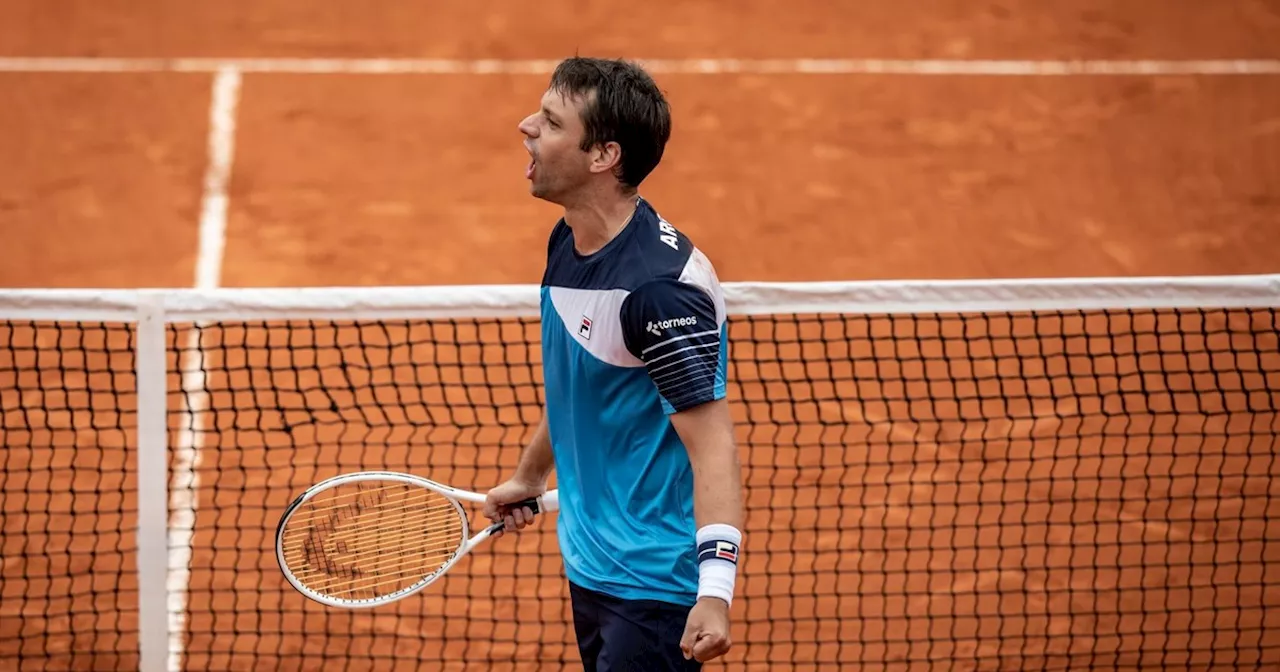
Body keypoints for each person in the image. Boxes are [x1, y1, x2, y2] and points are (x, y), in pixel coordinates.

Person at [482, 56, 745, 671]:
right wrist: (531, 475)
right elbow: (584, 385)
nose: (525, 126)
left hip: (652, 585)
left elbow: (713, 447)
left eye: (549, 122)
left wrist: (715, 594)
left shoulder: (657, 290)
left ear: (602, 156)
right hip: (593, 562)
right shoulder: (568, 238)